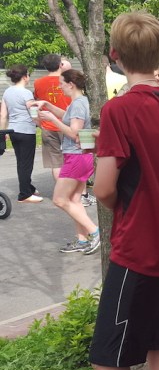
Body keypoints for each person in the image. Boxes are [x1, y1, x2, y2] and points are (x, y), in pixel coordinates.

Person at [89, 11, 159, 370]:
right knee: (157, 341)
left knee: (109, 357)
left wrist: (123, 208)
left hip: (137, 248)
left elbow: (103, 188)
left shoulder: (118, 109)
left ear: (115, 54)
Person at [34, 69, 101, 255]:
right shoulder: (80, 101)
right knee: (74, 200)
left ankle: (95, 232)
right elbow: (68, 117)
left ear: (71, 84)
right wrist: (48, 105)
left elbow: (74, 132)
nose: (60, 87)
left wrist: (52, 120)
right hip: (81, 156)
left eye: (62, 84)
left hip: (76, 156)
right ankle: (82, 240)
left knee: (60, 199)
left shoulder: (78, 104)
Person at [1, 64, 42, 203]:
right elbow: (33, 113)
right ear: (24, 77)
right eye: (28, 75)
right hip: (26, 131)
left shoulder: (7, 92)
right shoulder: (26, 93)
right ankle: (24, 194)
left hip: (13, 130)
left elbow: (3, 115)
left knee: (21, 161)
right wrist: (42, 125)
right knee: (26, 163)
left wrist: (3, 132)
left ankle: (28, 187)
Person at [34, 53, 71, 183]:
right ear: (60, 64)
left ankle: (60, 188)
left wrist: (39, 123)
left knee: (55, 163)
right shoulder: (68, 81)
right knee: (71, 158)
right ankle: (73, 189)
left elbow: (37, 101)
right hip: (68, 124)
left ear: (45, 66)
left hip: (48, 124)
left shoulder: (38, 83)